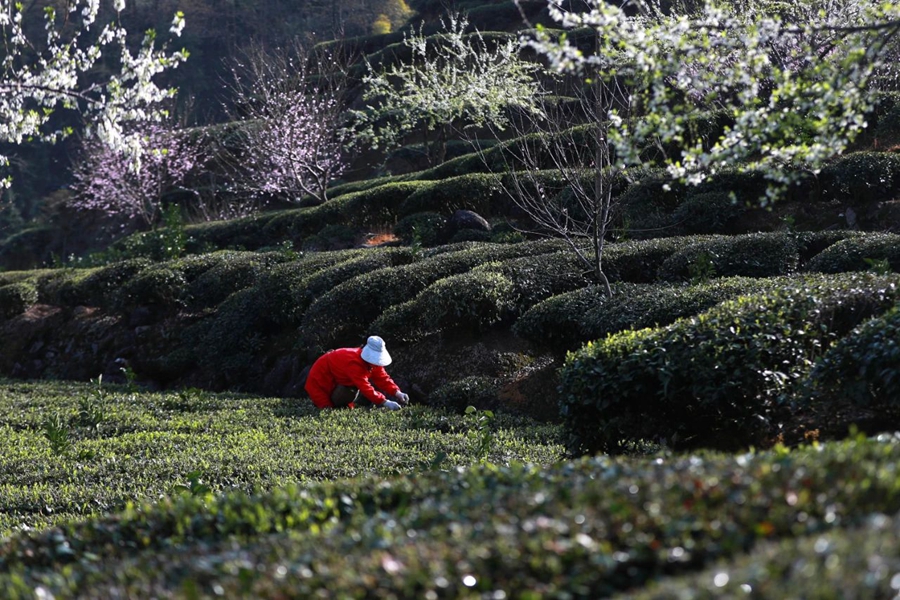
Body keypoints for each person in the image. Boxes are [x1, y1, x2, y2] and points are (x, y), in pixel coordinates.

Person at [305, 335, 409, 410]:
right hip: (320, 377)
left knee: (346, 401)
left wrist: (397, 393)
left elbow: (383, 378)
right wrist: (385, 402)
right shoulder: (354, 363)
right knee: (327, 408)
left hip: (338, 380)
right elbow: (365, 387)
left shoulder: (373, 364)